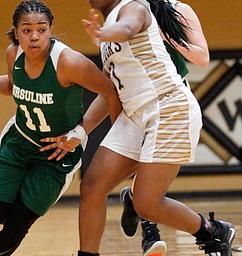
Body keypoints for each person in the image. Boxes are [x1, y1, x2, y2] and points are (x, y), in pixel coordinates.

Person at [40, 0, 235, 255]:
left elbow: (129, 27)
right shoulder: (108, 33)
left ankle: (212, 231)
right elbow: (108, 90)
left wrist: (103, 34)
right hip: (135, 114)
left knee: (147, 204)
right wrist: (80, 130)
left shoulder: (134, 6)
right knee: (91, 185)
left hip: (167, 106)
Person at [0, 1, 121, 255]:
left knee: (16, 227)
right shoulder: (13, 53)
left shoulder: (69, 62)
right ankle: (18, 191)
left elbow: (110, 92)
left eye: (41, 29)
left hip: (58, 153)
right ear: (16, 31)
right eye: (27, 30)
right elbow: (12, 86)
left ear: (50, 31)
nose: (34, 36)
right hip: (19, 141)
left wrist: (80, 132)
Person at [119, 0, 210, 255]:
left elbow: (202, 57)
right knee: (138, 168)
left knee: (154, 169)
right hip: (135, 99)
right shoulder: (124, 12)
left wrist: (164, 36)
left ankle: (150, 233)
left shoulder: (178, 9)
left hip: (169, 100)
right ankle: (134, 202)